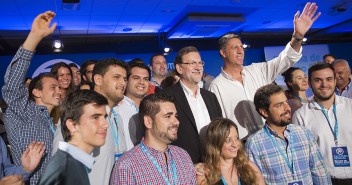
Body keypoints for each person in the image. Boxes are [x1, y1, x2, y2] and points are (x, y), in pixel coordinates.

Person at [209, 2, 321, 140]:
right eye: (234, 48)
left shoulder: (257, 70)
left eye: (241, 46)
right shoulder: (217, 86)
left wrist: (297, 37)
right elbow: (220, 124)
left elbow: (285, 59)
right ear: (223, 53)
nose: (240, 51)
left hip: (271, 140)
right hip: (241, 147)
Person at [2, 11, 60, 184]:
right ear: (36, 92)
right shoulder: (24, 111)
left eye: (59, 87)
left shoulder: (52, 121)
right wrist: (34, 38)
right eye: (53, 87)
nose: (59, 91)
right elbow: (12, 86)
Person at [52, 57, 128, 185]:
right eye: (116, 77)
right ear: (98, 80)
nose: (123, 83)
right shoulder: (80, 113)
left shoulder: (116, 118)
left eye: (125, 79)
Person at [246, 84, 331, 184]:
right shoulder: (254, 143)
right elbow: (255, 181)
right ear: (264, 112)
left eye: (286, 102)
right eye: (279, 105)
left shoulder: (303, 133)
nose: (287, 108)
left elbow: (319, 171)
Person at [110, 93, 196, 185]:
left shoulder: (183, 156)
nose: (176, 122)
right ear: (148, 121)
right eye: (168, 116)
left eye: (175, 116)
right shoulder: (127, 165)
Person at [292, 62, 352, 184]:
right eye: (318, 80)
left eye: (329, 79)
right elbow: (301, 155)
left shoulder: (350, 106)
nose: (324, 84)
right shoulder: (301, 115)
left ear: (335, 81)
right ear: (309, 83)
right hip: (324, 180)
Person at [162, 46, 222, 163]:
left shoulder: (210, 97)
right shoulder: (166, 96)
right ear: (179, 68)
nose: (198, 67)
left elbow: (219, 130)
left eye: (200, 63)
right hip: (184, 166)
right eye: (192, 63)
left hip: (214, 164)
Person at [38, 90, 109, 185]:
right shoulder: (68, 169)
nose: (105, 124)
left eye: (105, 117)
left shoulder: (70, 164)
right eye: (95, 117)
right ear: (72, 125)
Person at [196, 118, 265, 185]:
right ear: (216, 144)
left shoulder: (248, 167)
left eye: (236, 138)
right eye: (228, 140)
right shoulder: (204, 176)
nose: (235, 144)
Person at [118, 60, 150, 149]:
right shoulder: (117, 108)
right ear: (126, 81)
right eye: (136, 78)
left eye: (145, 79)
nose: (142, 82)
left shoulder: (153, 107)